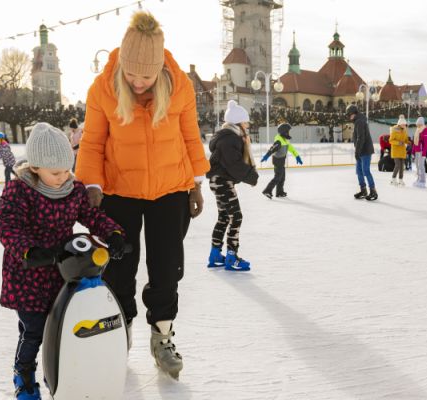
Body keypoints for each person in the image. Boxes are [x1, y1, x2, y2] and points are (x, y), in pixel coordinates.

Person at [75, 11, 210, 378]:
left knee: (167, 267)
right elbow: (92, 142)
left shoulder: (179, 86)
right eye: (131, 75)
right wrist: (90, 185)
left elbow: (190, 136)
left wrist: (196, 182)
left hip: (170, 190)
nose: (137, 82)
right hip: (119, 192)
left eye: (146, 76)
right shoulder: (102, 88)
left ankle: (162, 335)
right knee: (119, 267)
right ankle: (121, 333)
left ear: (159, 69)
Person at [0, 123, 125, 400]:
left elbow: (91, 217)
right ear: (35, 168)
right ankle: (24, 375)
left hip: (61, 272)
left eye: (68, 169)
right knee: (33, 331)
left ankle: (55, 374)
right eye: (56, 172)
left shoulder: (73, 188)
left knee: (61, 329)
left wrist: (112, 233)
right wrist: (30, 252)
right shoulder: (19, 191)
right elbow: (8, 227)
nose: (63, 176)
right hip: (27, 273)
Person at [208, 100, 259, 271]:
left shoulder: (228, 137)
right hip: (222, 182)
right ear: (238, 123)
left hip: (218, 181)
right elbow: (234, 164)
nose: (248, 125)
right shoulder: (230, 139)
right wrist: (251, 176)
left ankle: (215, 254)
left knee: (224, 217)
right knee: (236, 217)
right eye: (245, 122)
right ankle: (231, 257)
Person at [261, 123, 302, 198]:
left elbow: (291, 148)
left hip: (281, 161)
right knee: (277, 177)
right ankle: (267, 190)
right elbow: (272, 149)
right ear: (284, 132)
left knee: (282, 177)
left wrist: (297, 156)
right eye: (288, 131)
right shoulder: (279, 141)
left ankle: (279, 192)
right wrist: (266, 156)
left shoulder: (285, 140)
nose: (289, 133)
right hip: (278, 161)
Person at [346, 104, 377, 200]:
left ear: (353, 113)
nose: (348, 117)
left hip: (365, 151)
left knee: (365, 171)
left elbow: (361, 138)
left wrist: (357, 151)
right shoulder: (358, 121)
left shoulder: (359, 121)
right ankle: (363, 189)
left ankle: (373, 191)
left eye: (349, 114)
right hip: (360, 151)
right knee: (359, 171)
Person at [389, 116, 409, 186]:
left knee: (402, 166)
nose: (404, 125)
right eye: (403, 124)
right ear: (400, 124)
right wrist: (398, 143)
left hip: (402, 150)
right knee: (397, 165)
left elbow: (406, 140)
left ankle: (401, 180)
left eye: (405, 124)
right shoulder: (394, 130)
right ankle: (393, 179)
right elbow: (391, 140)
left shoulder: (405, 130)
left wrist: (409, 142)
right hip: (396, 150)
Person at [411, 117, 427, 187]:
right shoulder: (417, 130)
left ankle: (422, 180)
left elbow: (426, 143)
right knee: (417, 166)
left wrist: (424, 153)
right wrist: (413, 152)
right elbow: (415, 143)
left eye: (419, 124)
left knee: (421, 166)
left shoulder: (425, 130)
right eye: (417, 124)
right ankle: (418, 179)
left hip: (422, 151)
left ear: (422, 123)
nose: (418, 125)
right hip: (416, 151)